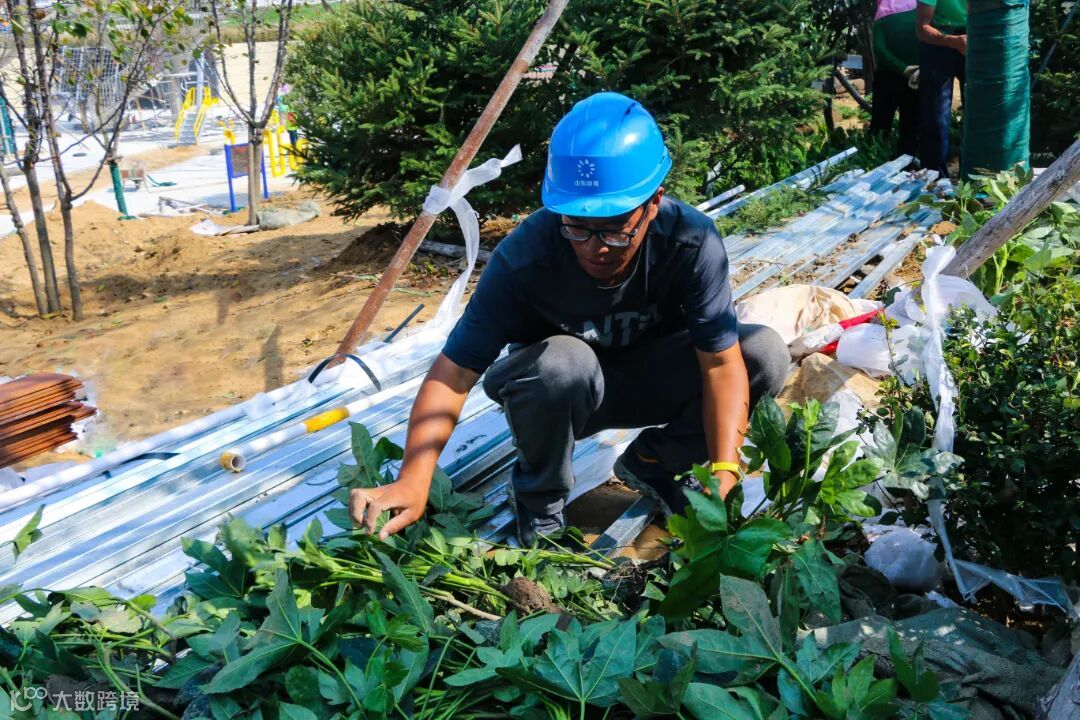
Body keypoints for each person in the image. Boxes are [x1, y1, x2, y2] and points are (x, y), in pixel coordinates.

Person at [348, 92, 789, 545]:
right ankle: (539, 505)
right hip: (563, 396)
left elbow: (720, 365)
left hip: (653, 380)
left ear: (654, 202)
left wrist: (725, 471)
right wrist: (414, 477)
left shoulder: (690, 242)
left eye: (615, 229)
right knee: (562, 363)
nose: (595, 247)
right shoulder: (526, 257)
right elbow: (454, 373)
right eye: (576, 225)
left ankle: (655, 462)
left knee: (763, 354)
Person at [916, 0, 967, 177]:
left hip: (976, 37)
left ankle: (974, 178)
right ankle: (935, 180)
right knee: (936, 116)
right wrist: (952, 41)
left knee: (978, 115)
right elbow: (922, 28)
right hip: (939, 43)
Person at [870, 0, 921, 156]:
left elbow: (879, 48)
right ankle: (908, 161)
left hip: (887, 76)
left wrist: (901, 67)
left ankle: (875, 158)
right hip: (915, 76)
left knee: (880, 124)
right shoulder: (922, 12)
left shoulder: (882, 15)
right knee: (911, 124)